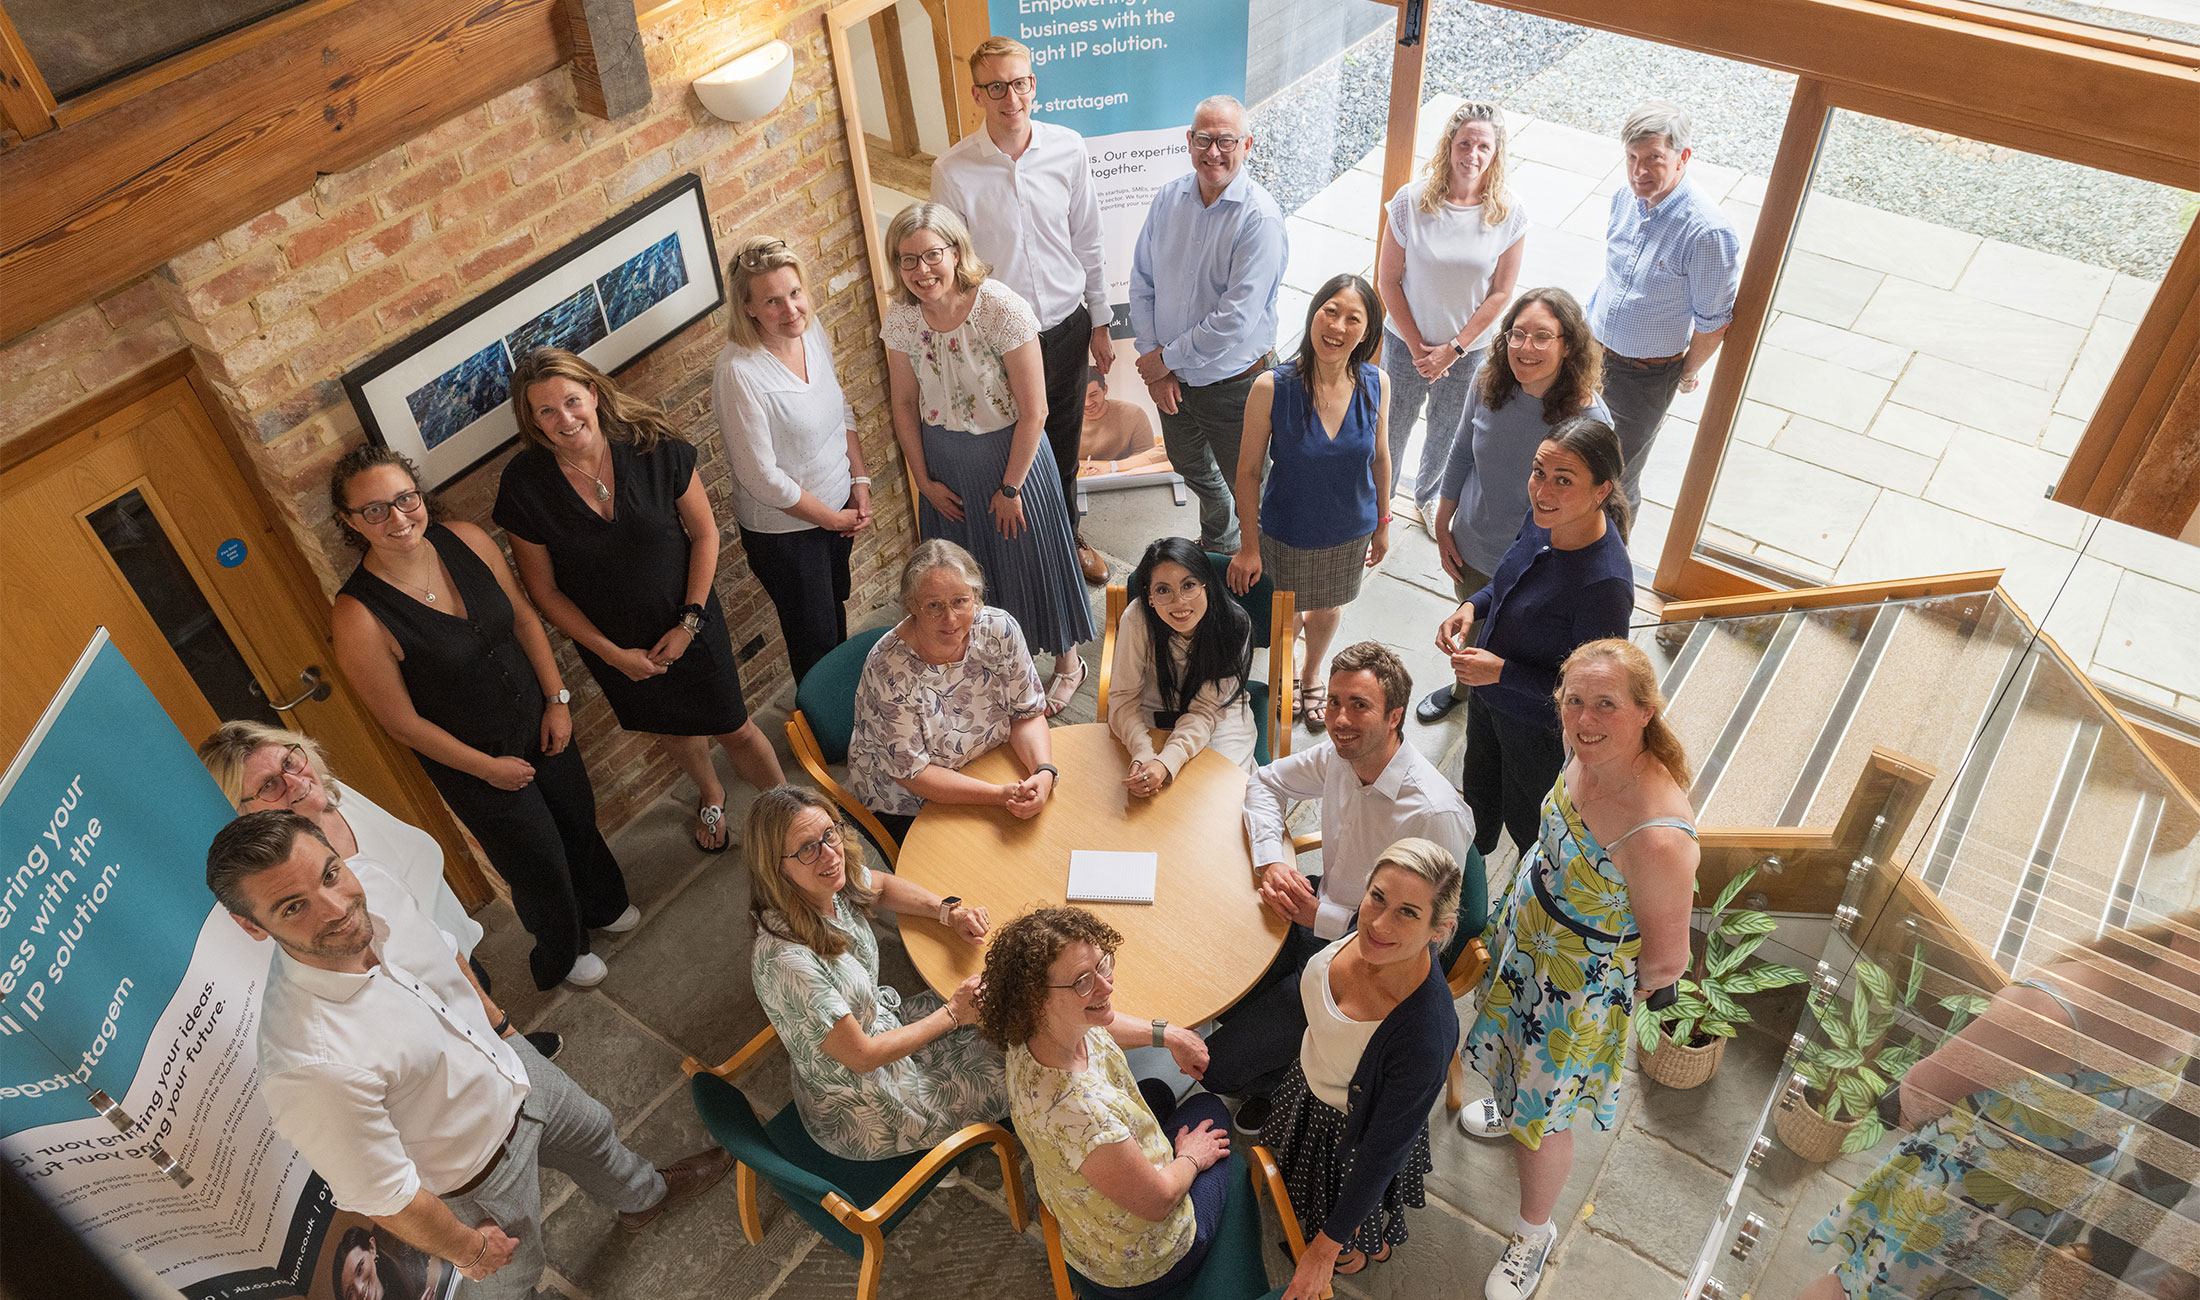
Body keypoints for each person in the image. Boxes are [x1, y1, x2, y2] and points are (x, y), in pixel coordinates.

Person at [211, 811, 729, 1300]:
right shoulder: (307, 1065)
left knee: (596, 1135)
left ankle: (645, 1197)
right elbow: (385, 1196)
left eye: (330, 874)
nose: (337, 907)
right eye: (293, 907)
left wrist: (502, 1027)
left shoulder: (372, 882)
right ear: (252, 925)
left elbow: (445, 950)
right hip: (478, 1176)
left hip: (515, 1068)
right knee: (511, 1278)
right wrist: (471, 1251)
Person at [328, 446, 632, 991]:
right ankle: (564, 950)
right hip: (472, 759)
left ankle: (604, 904)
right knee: (534, 857)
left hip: (540, 717)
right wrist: (488, 769)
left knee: (576, 817)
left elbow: (523, 618)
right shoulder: (357, 615)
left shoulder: (466, 539)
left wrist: (557, 699)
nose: (398, 518)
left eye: (405, 499)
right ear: (350, 522)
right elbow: (402, 724)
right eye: (374, 510)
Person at [1462, 638, 1699, 1300]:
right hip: (1530, 937)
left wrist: (1597, 993)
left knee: (1547, 1119)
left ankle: (1533, 1234)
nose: (1586, 720)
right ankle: (1511, 1102)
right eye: (1574, 701)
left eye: (1606, 705)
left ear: (1646, 711)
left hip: (1574, 988)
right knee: (1516, 1069)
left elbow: (1668, 959)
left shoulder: (1659, 836)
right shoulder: (1582, 751)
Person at [1797, 913, 2198, 1300]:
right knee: (1865, 1289)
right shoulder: (2050, 1012)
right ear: (2184, 938)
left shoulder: (2181, 1017)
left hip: (2036, 1212)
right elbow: (1922, 1090)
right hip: (1962, 1196)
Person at [495, 348, 784, 856]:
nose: (565, 419)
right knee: (670, 728)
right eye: (546, 411)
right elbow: (543, 591)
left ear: (594, 394)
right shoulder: (524, 485)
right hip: (615, 648)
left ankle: (792, 813)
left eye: (572, 401)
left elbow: (705, 534)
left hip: (690, 619)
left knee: (736, 729)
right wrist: (612, 656)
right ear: (533, 421)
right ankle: (711, 793)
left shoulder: (653, 444)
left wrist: (689, 623)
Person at [1212, 640, 1480, 1136]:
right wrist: (1272, 861)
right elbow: (1265, 783)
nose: (1339, 719)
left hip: (1368, 961)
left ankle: (1291, 1085)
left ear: (1395, 716)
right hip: (1319, 910)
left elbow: (1428, 933)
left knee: (1214, 1069)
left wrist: (1323, 919)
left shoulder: (1432, 814)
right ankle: (1281, 1059)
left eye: (1359, 705)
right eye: (1334, 701)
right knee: (1219, 989)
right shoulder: (1343, 754)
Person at [881, 201, 1095, 713]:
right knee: (963, 575)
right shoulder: (903, 319)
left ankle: (1068, 663)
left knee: (1033, 560)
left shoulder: (1000, 307)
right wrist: (922, 480)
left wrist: (1011, 487)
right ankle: (993, 664)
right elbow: (904, 404)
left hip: (1011, 458)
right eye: (908, 260)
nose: (921, 270)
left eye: (932, 255)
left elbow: (1035, 410)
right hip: (944, 464)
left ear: (956, 252)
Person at [931, 35, 1114, 585]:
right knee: (1011, 448)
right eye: (995, 87)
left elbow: (1088, 239)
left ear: (1033, 85)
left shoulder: (1068, 148)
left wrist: (1100, 321)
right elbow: (953, 267)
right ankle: (1023, 555)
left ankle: (1067, 537)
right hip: (1000, 341)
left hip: (1067, 326)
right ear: (977, 94)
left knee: (1064, 444)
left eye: (1018, 84)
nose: (1010, 98)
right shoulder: (953, 170)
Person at [745, 785, 1009, 1159]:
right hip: (872, 1105)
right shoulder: (787, 963)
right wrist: (952, 1014)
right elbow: (862, 1056)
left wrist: (948, 913)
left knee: (1004, 1002)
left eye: (829, 833)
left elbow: (880, 887)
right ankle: (932, 1153)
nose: (829, 854)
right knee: (1023, 1056)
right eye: (807, 848)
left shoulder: (824, 885)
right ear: (776, 866)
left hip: (883, 1027)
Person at [977, 907, 1227, 1299]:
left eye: (1102, 965)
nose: (1106, 986)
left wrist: (1168, 1035)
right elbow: (1159, 1201)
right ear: (1037, 1000)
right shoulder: (1084, 1114)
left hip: (1086, 1219)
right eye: (1082, 981)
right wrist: (1191, 1157)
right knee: (1209, 1110)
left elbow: (1102, 1022)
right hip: (1146, 1263)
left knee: (1157, 1093)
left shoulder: (1031, 1032)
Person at [1263, 839, 1463, 1298]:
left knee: (1339, 1211)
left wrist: (1322, 1251)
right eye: (1378, 897)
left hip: (1349, 1133)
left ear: (1439, 930)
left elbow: (1381, 1153)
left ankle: (1353, 1256)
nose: (1379, 924)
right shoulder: (1369, 928)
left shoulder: (1424, 1037)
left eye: (1408, 913)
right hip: (1311, 1080)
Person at [1432, 418, 1636, 860]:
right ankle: (1467, 870)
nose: (1542, 491)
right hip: (1488, 700)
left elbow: (1594, 695)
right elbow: (1508, 582)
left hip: (1537, 731)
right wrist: (1472, 607)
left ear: (1601, 490)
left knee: (1530, 828)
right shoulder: (1543, 520)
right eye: (1539, 472)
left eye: (1563, 480)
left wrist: (1502, 672)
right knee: (1477, 800)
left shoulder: (1606, 586)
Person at [1418, 287, 1610, 726]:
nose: (1526, 347)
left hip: (1538, 563)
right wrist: (1444, 522)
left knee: (1516, 650)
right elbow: (1461, 451)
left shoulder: (1589, 421)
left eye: (1542, 337)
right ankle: (1463, 692)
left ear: (1568, 345)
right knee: (1472, 630)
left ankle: (1498, 713)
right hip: (1474, 544)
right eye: (1517, 334)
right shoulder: (1487, 380)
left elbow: (1596, 504)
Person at [1227, 274, 1391, 732]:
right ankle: (1285, 674)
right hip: (1290, 528)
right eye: (1330, 311)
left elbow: (1380, 458)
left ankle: (1313, 671)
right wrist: (1249, 545)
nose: (1337, 326)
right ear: (1313, 313)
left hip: (1351, 527)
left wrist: (1382, 523)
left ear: (1367, 331)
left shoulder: (1377, 383)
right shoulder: (1271, 387)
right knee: (1287, 611)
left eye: (1353, 318)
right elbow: (1248, 473)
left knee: (1330, 604)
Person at [1128, 94, 1288, 555]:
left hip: (1235, 385)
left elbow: (1234, 320)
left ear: (1247, 145)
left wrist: (1164, 360)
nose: (1213, 152)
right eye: (1203, 139)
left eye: (1225, 141)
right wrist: (1155, 361)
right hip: (1174, 380)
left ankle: (1260, 565)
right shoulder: (1168, 198)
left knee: (1251, 483)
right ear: (1189, 140)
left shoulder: (1260, 219)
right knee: (1189, 465)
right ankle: (1222, 540)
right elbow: (1142, 281)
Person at [713, 234, 872, 685]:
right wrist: (831, 519)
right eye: (773, 301)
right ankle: (825, 720)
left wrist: (859, 481)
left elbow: (840, 408)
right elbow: (761, 477)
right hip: (787, 535)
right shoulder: (739, 372)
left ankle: (848, 703)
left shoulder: (810, 331)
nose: (791, 310)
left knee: (834, 615)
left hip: (838, 510)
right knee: (813, 642)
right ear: (748, 308)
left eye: (795, 293)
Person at [846, 540, 1057, 847]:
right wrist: (999, 795)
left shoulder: (1000, 630)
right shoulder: (888, 669)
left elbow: (1026, 714)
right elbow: (912, 774)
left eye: (960, 601)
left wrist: (1044, 772)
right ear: (912, 605)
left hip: (989, 765)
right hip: (911, 802)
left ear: (976, 596)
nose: (951, 619)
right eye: (934, 606)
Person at [1374, 100, 1528, 518]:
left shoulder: (1510, 213)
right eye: (1465, 144)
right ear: (1449, 144)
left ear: (1496, 153)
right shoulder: (1410, 201)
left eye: (1483, 147)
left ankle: (1429, 500)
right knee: (1390, 428)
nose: (1472, 155)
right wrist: (1418, 348)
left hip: (1467, 352)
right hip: (1405, 345)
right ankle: (1380, 502)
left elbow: (1501, 292)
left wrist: (1453, 349)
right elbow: (1388, 280)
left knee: (1449, 432)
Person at [1586, 99, 1741, 514]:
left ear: (1682, 157)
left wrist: (1685, 374)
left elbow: (1714, 322)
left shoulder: (1707, 232)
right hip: (1591, 353)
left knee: (1613, 480)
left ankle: (1608, 555)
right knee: (1569, 458)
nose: (1639, 171)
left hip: (1644, 377)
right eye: (1632, 158)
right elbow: (1614, 276)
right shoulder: (1624, 198)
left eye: (1653, 158)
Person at [1107, 537, 1258, 790]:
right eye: (1163, 590)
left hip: (1219, 715)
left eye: (1189, 586)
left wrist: (1166, 761)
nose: (1179, 602)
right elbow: (1124, 697)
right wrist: (1142, 752)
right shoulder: (1137, 618)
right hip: (1151, 709)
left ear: (1206, 585)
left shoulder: (1234, 625)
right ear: (1150, 597)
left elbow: (1207, 709)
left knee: (1221, 796)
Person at [1078, 368, 1169, 478]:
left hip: (1125, 479)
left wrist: (1111, 467)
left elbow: (1147, 457)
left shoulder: (1133, 414)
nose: (1087, 403)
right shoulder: (1065, 420)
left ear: (1105, 389)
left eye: (1093, 395)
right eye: (1080, 397)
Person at [330, 1223, 433, 1300]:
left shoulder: (410, 1265)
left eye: (360, 1270)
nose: (360, 1289)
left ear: (372, 1248)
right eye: (350, 1293)